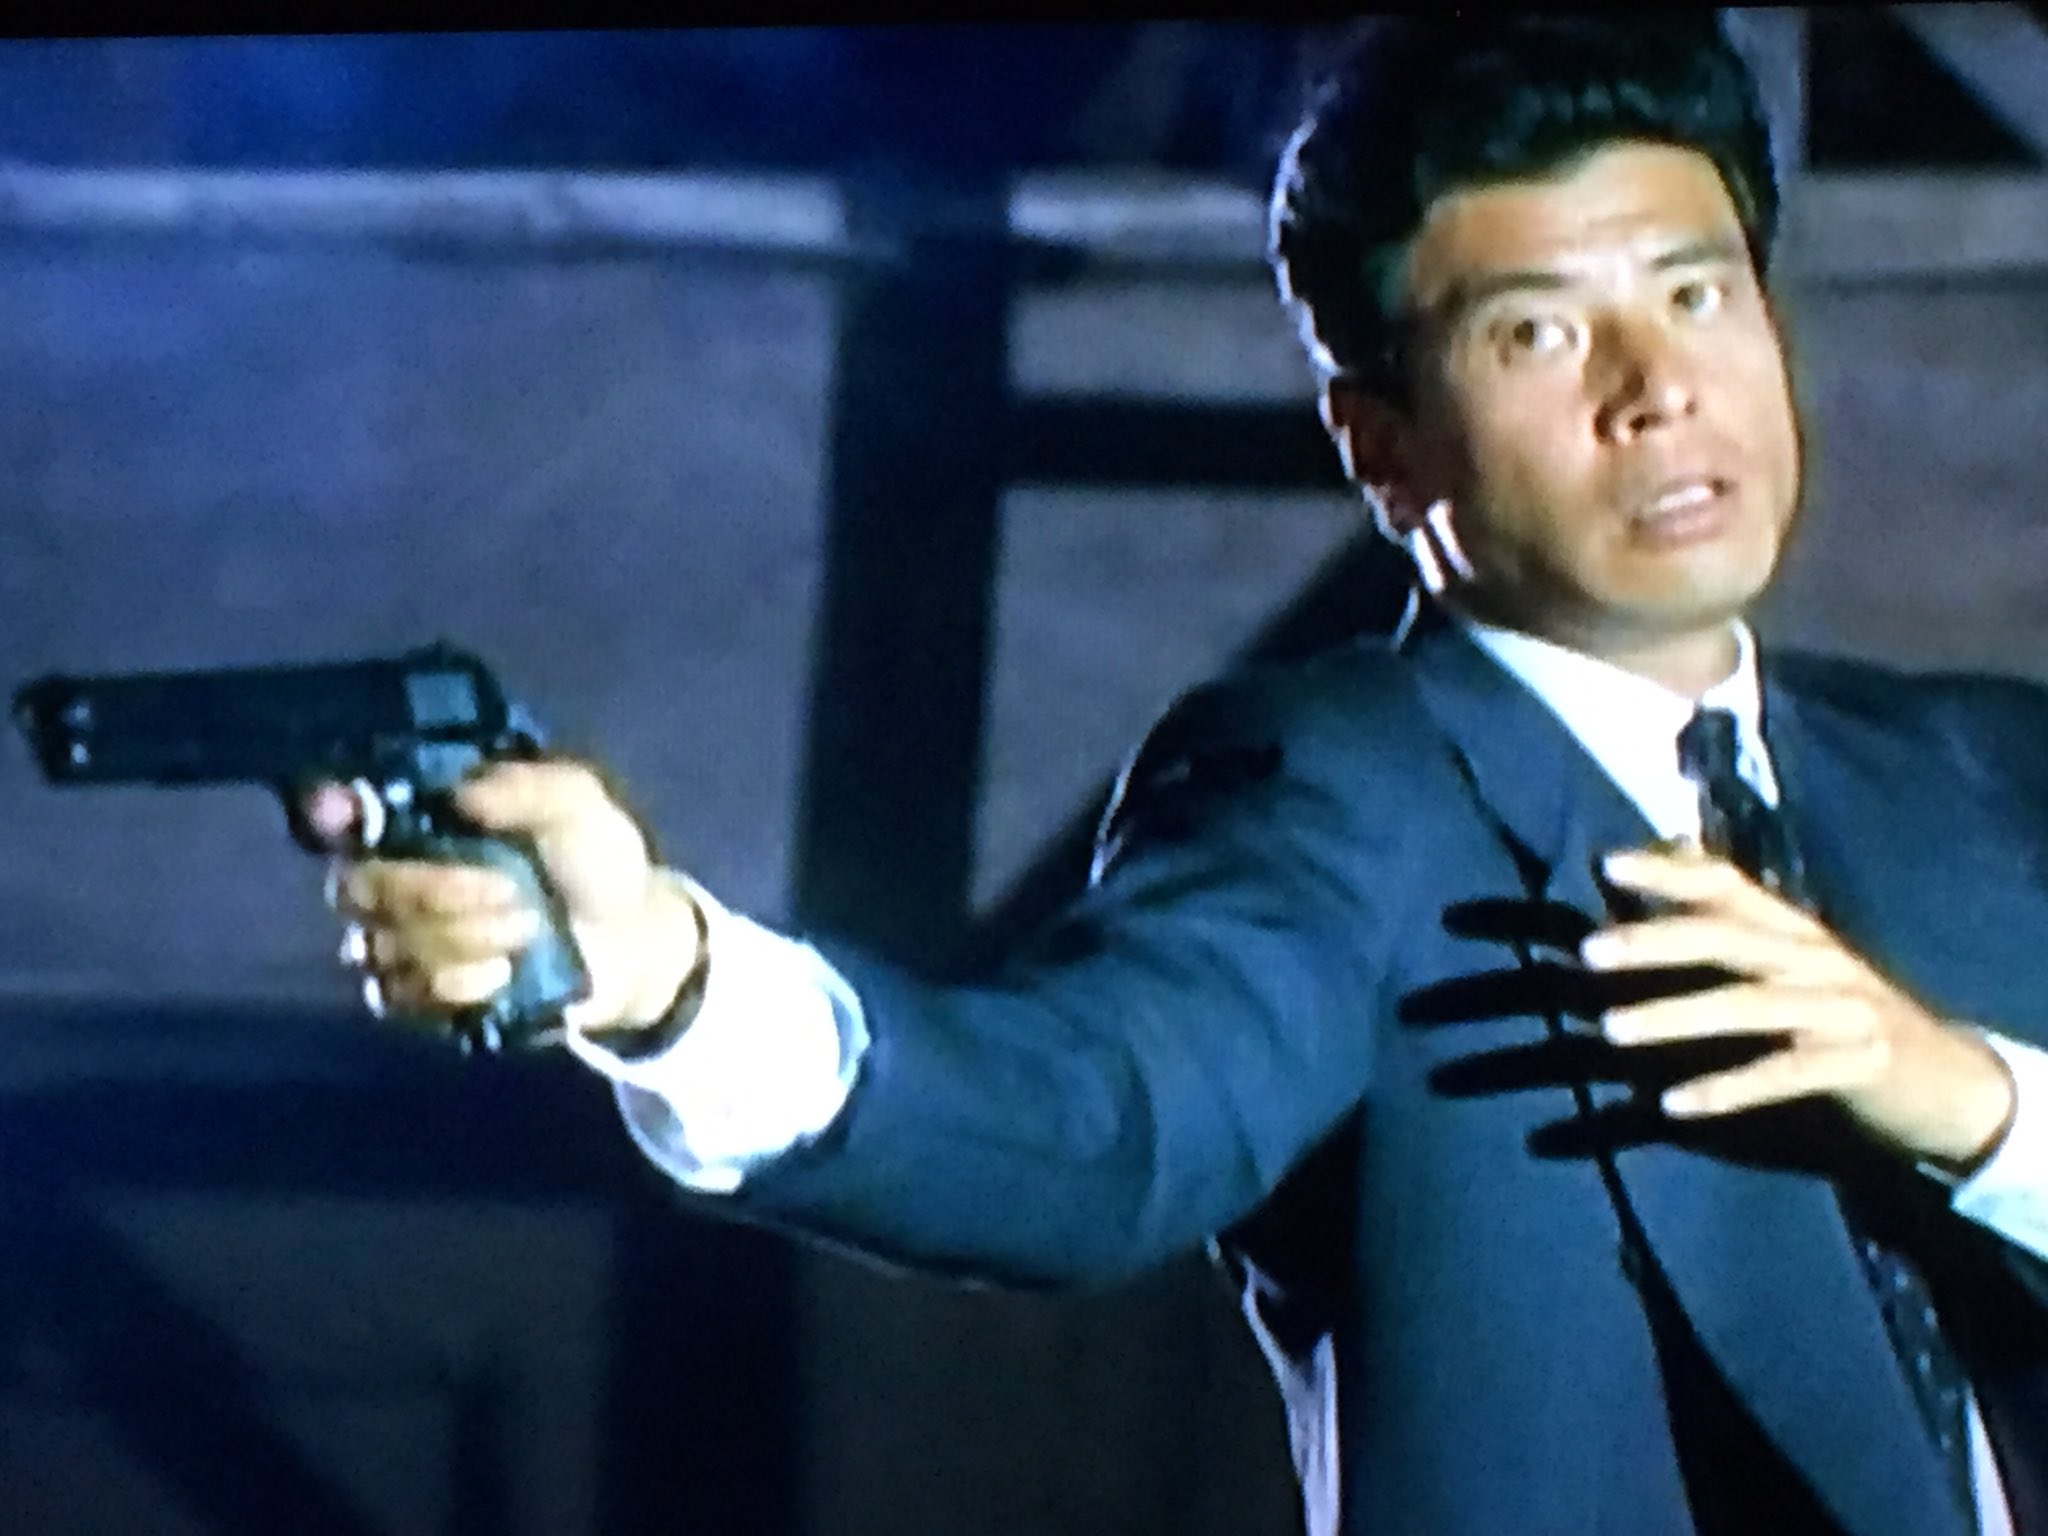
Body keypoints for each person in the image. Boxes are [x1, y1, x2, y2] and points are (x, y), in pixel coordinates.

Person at [316, 15, 2048, 1536]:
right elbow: (1091, 1125)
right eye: (1539, 335)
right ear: (1382, 446)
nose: (1657, 391)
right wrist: (672, 985)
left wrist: (1969, 1100)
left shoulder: (1981, 774)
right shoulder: (1340, 793)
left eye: (1696, 293)